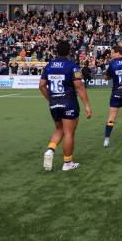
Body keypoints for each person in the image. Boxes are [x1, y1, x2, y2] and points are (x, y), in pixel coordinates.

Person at [40, 41, 92, 172]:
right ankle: (67, 163)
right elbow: (79, 86)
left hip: (54, 103)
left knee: (59, 129)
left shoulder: (48, 66)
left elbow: (41, 85)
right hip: (68, 102)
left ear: (56, 51)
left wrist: (50, 99)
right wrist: (87, 105)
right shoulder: (73, 66)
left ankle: (50, 150)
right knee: (69, 133)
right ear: (69, 51)